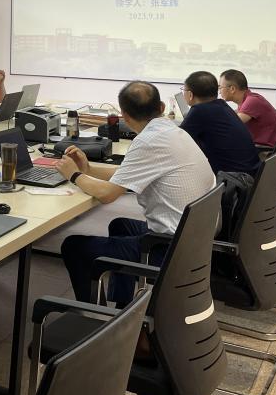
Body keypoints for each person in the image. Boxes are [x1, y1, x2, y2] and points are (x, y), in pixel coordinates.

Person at [54, 81, 215, 306]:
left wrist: (73, 175)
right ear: (161, 107)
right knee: (120, 226)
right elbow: (128, 173)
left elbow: (107, 195)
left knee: (74, 247)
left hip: (171, 248)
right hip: (195, 238)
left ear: (125, 116)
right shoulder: (173, 131)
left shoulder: (148, 141)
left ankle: (96, 317)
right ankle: (123, 307)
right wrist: (88, 169)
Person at [179, 71, 261, 175]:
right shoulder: (222, 105)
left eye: (184, 90)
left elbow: (176, 141)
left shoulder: (199, 111)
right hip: (253, 173)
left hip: (235, 180)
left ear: (190, 94)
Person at [219, 69, 276, 148]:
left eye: (220, 87)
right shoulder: (248, 99)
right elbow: (231, 115)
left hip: (270, 151)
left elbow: (230, 126)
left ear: (232, 89)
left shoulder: (252, 101)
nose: (219, 92)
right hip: (271, 148)